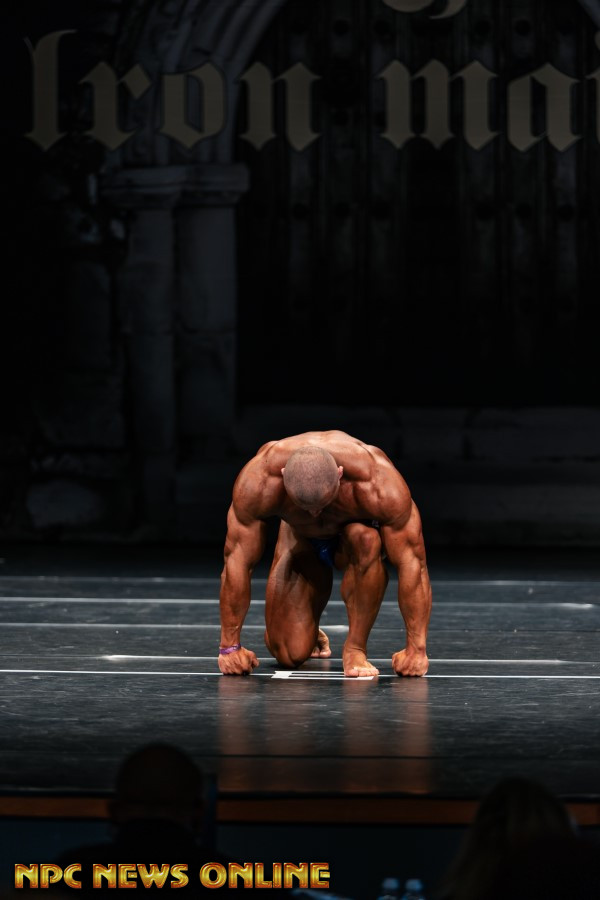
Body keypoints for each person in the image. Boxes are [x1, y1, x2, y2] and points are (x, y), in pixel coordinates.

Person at [218, 430, 431, 678]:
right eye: (305, 509)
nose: (315, 514)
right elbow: (236, 561)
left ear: (340, 474)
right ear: (283, 476)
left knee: (365, 538)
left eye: (322, 505)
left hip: (353, 546)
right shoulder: (259, 480)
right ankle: (308, 626)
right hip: (301, 539)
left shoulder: (378, 483)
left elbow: (413, 563)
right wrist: (229, 648)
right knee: (288, 654)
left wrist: (416, 650)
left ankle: (355, 648)